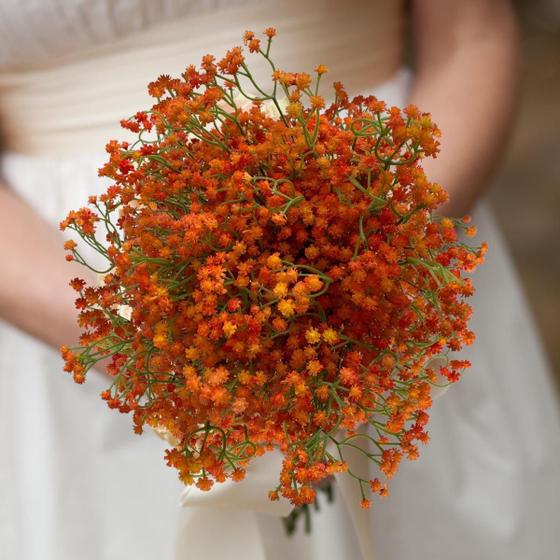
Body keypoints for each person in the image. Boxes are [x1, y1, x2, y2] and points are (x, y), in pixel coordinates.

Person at [0, 1, 558, 559]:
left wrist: (372, 255)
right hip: (73, 291)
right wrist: (137, 338)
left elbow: (471, 35)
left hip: (387, 237)